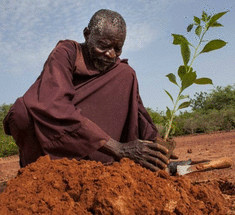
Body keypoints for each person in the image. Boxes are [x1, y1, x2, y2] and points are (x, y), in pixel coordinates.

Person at [3, 9, 176, 170]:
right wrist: (118, 148)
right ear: (87, 35)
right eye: (104, 45)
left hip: (94, 153)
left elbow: (137, 110)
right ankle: (38, 171)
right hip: (54, 142)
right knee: (21, 112)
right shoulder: (66, 53)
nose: (111, 54)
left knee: (126, 73)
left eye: (117, 49)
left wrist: (156, 144)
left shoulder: (120, 72)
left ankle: (100, 165)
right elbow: (53, 104)